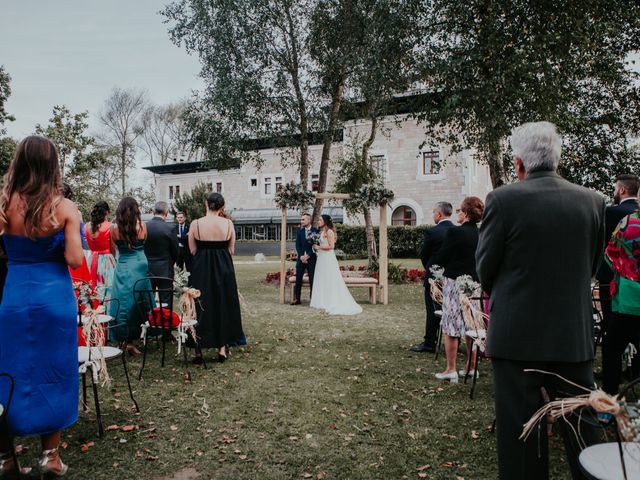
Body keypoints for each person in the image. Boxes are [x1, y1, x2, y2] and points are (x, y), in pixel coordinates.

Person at [476, 122, 605, 480]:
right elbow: (591, 267)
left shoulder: (502, 200)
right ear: (557, 159)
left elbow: (485, 268)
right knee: (583, 433)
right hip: (572, 334)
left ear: (518, 163)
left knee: (521, 437)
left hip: (516, 336)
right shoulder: (594, 201)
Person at [0, 135, 84, 476]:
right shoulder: (63, 208)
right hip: (54, 300)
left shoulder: (4, 204)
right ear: (53, 165)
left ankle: (6, 458)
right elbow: (75, 259)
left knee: (8, 373)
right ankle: (50, 456)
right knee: (55, 372)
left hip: (15, 298)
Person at [188, 192, 244, 363]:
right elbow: (231, 250)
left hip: (201, 267)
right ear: (222, 207)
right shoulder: (228, 224)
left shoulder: (196, 224)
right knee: (223, 303)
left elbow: (192, 250)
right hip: (223, 266)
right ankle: (221, 348)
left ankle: (198, 350)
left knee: (200, 304)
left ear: (206, 204)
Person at [433, 197, 483, 382]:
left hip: (454, 283)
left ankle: (451, 369)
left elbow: (442, 257)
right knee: (472, 325)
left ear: (466, 213)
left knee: (451, 325)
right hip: (475, 285)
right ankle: (470, 367)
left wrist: (440, 262)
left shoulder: (455, 232)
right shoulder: (483, 233)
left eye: (460, 211)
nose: (458, 214)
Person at [597, 175, 639, 356]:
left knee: (612, 328)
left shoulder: (612, 213)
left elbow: (604, 246)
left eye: (615, 189)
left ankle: (611, 380)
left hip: (614, 279)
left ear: (622, 190)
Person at [602, 208, 640, 394]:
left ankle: (609, 399)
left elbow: (610, 254)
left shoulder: (629, 223)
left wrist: (624, 270)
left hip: (631, 298)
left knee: (612, 348)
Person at [110, 197, 154, 355]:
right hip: (140, 264)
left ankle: (124, 340)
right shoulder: (142, 226)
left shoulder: (113, 228)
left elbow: (112, 249)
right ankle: (141, 336)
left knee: (122, 303)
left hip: (123, 265)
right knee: (140, 302)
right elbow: (145, 243)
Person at [411, 202, 454, 352]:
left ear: (440, 214)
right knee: (451, 308)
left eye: (434, 212)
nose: (433, 215)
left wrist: (430, 268)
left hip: (434, 276)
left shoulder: (433, 232)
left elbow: (424, 255)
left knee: (432, 309)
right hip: (452, 276)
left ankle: (430, 342)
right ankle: (453, 339)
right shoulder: (457, 231)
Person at [310, 215, 362, 315]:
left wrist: (319, 247)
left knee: (330, 278)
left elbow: (331, 246)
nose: (319, 221)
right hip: (321, 258)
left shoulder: (329, 232)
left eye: (321, 220)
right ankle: (322, 300)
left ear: (325, 221)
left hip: (328, 258)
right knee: (322, 278)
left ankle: (331, 300)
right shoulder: (322, 232)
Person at [145, 201, 178, 305]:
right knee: (166, 301)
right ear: (166, 212)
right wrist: (169, 263)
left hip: (147, 268)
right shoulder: (170, 228)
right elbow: (175, 251)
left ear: (153, 211)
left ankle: (149, 320)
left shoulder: (144, 227)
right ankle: (165, 321)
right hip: (165, 269)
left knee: (149, 300)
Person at [84, 201, 116, 297]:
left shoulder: (86, 226)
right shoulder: (110, 226)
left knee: (90, 286)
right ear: (107, 212)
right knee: (108, 287)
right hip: (107, 261)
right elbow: (113, 247)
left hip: (91, 260)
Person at [291, 213, 318, 305]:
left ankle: (313, 299)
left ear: (309, 220)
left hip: (311, 259)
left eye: (303, 219)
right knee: (298, 278)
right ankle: (297, 299)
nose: (301, 221)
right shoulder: (300, 232)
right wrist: (302, 255)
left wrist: (308, 256)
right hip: (301, 259)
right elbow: (297, 245)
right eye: (301, 219)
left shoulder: (315, 231)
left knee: (312, 279)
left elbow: (315, 246)